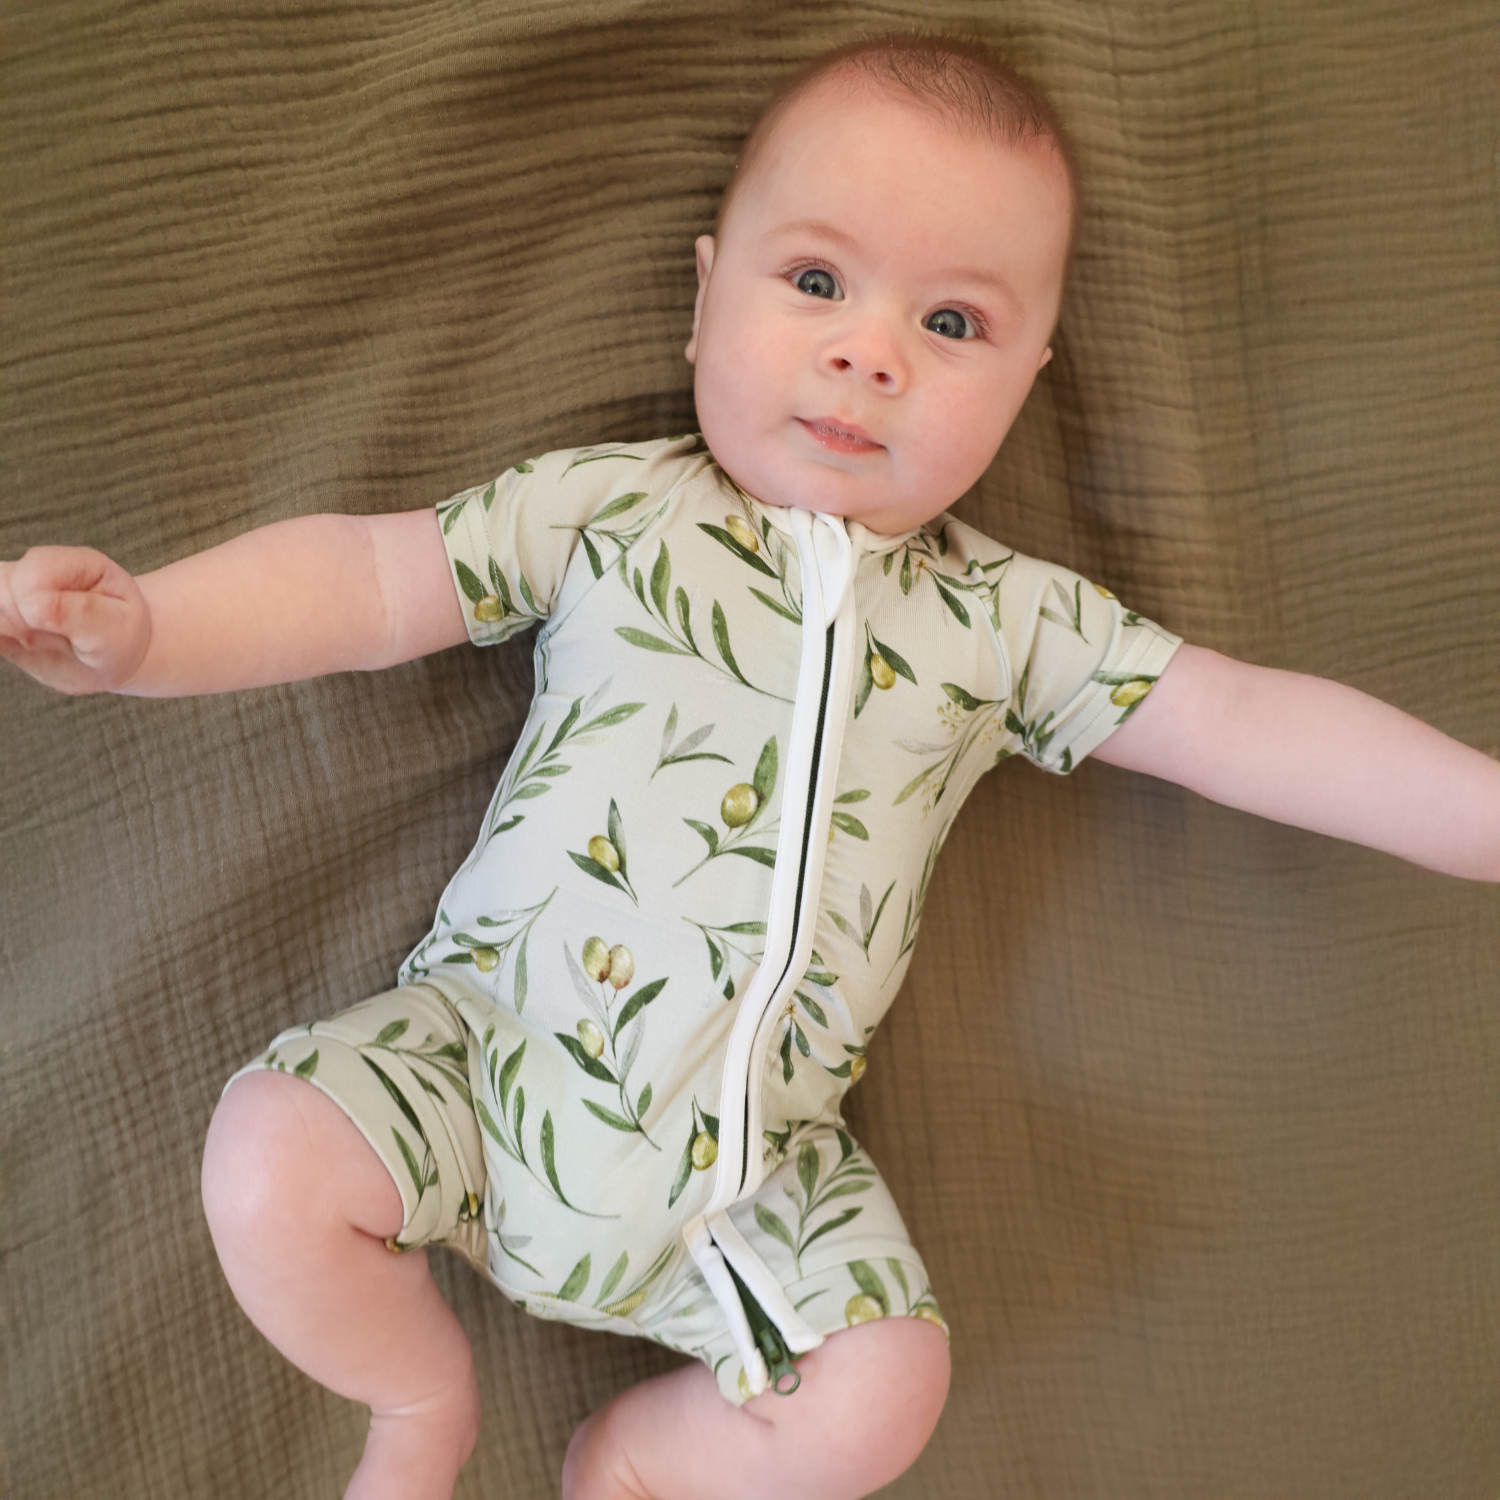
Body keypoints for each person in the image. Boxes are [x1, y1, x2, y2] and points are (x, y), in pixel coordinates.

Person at [2, 34, 1496, 1500]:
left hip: (750, 1185)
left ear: (1028, 381)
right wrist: (152, 630)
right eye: (819, 282)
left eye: (953, 324)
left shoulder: (1007, 623)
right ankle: (416, 1398)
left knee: (889, 1385)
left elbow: (1239, 721)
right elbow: (369, 581)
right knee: (268, 1159)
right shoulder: (615, 515)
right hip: (478, 1061)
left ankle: (637, 1464)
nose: (870, 353)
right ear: (705, 298)